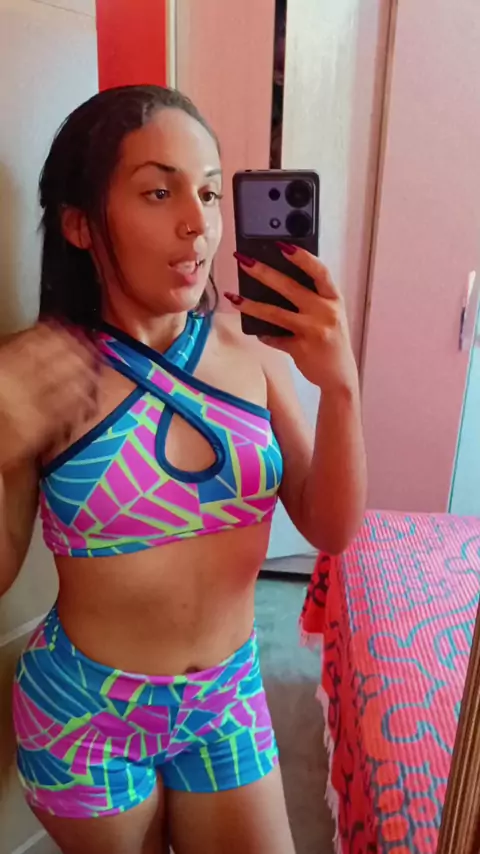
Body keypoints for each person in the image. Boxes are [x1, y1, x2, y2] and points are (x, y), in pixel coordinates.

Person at [1, 85, 366, 854]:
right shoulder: (34, 374)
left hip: (225, 700)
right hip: (85, 715)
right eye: (159, 192)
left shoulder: (253, 353)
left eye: (208, 192)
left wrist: (340, 386)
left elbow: (331, 527)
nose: (198, 223)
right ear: (79, 224)